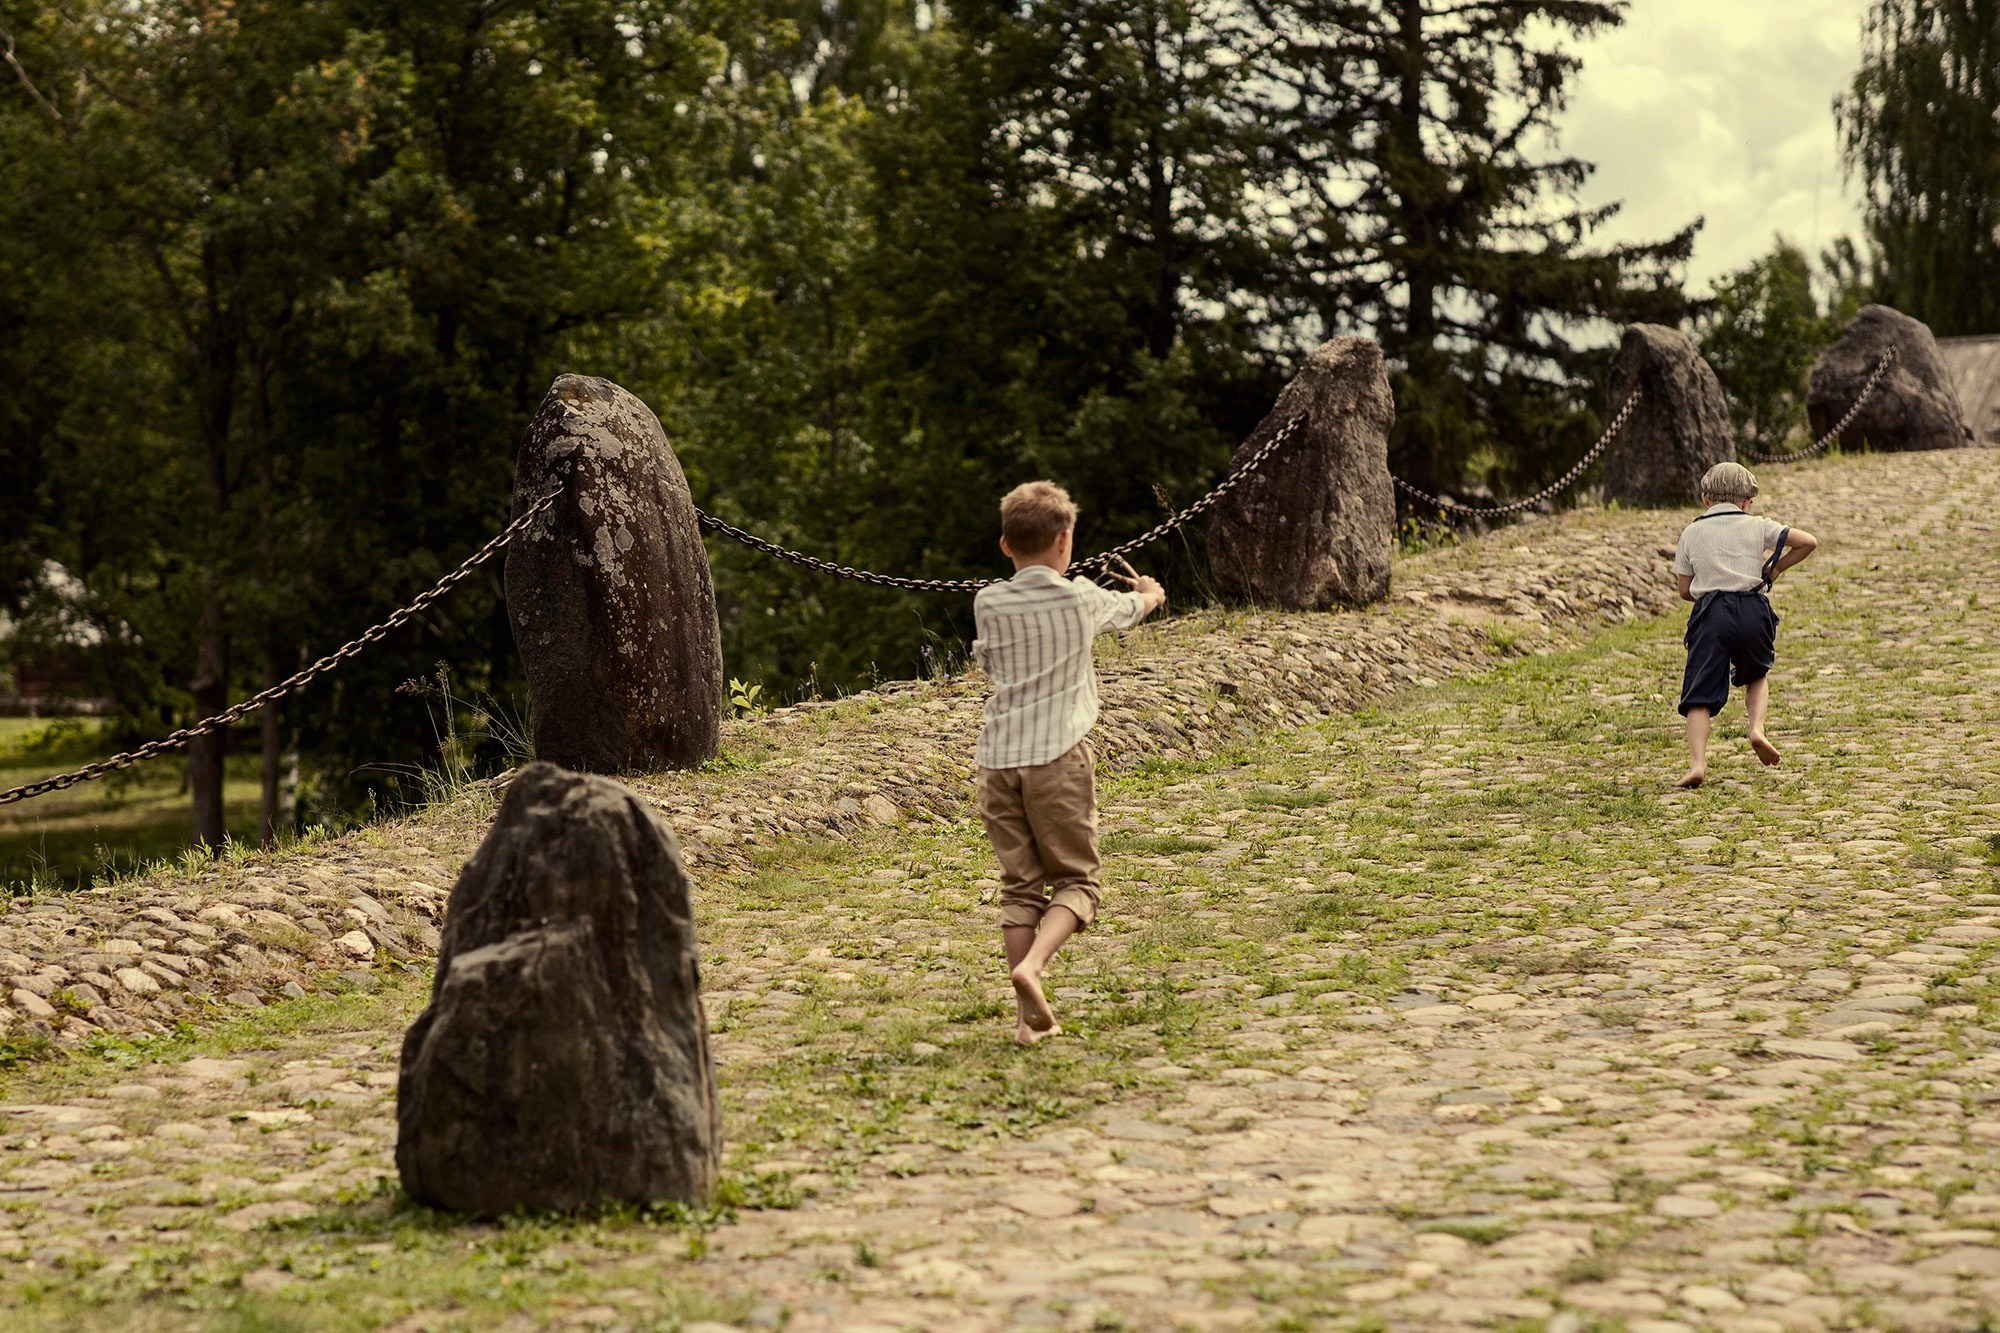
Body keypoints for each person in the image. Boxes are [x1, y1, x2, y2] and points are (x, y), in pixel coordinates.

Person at [972, 482, 1166, 1045]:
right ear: (1065, 540)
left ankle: (1023, 1023)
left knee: (1019, 888)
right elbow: (1132, 607)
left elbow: (985, 657)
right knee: (1079, 881)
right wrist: (1150, 592)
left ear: (1006, 545)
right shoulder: (1081, 597)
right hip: (1057, 758)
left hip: (998, 760)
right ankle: (1033, 968)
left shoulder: (988, 602)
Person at [1671, 461, 1818, 789]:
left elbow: (1684, 590)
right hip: (1753, 609)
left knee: (1698, 694)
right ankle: (1756, 730)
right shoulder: (1757, 526)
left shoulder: (1692, 532)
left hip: (1711, 613)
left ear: (1705, 498)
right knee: (1757, 673)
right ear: (1746, 502)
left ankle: (1697, 764)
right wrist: (1776, 568)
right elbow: (1808, 541)